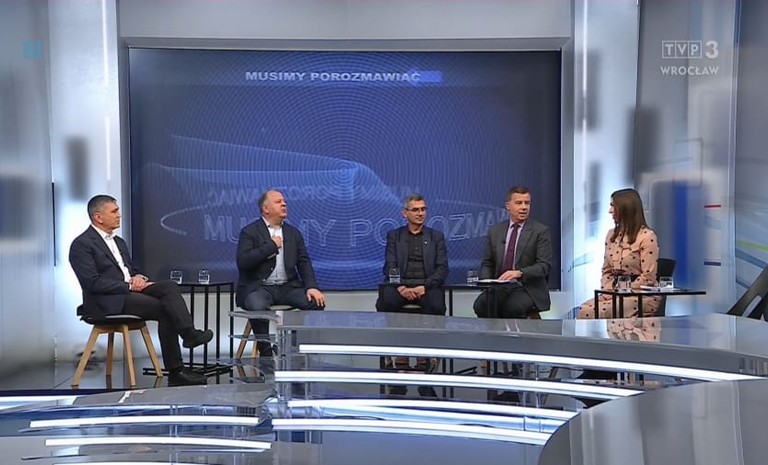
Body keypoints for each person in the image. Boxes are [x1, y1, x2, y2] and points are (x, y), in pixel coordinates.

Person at [69, 195, 213, 387]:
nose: (119, 215)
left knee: (169, 287)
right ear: (98, 217)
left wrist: (138, 278)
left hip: (128, 291)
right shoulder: (82, 245)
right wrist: (128, 286)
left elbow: (130, 270)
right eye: (114, 211)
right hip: (107, 301)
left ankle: (189, 334)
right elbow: (92, 283)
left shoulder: (119, 242)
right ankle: (177, 370)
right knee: (165, 309)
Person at [235, 189, 326, 357]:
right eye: (278, 202)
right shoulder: (250, 232)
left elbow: (304, 262)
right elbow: (243, 261)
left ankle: (292, 347)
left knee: (316, 302)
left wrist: (311, 287)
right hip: (260, 287)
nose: (284, 204)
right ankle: (266, 350)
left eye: (284, 201)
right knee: (256, 305)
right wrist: (271, 246)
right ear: (266, 208)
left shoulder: (293, 233)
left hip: (287, 287)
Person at [376, 194, 448, 373]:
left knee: (436, 304)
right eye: (415, 210)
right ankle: (398, 351)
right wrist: (401, 287)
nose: (420, 213)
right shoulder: (394, 236)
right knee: (387, 301)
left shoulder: (436, 237)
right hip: (400, 284)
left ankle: (427, 352)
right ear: (405, 213)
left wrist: (425, 286)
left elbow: (442, 268)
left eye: (423, 209)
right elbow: (390, 266)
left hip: (426, 285)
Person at [578, 188, 660, 319]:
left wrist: (622, 290)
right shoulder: (611, 235)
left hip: (640, 295)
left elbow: (648, 277)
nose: (609, 210)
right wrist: (608, 291)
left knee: (600, 311)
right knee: (584, 309)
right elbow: (606, 270)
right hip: (614, 293)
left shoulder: (647, 237)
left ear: (625, 209)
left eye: (613, 206)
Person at [473, 186, 552, 318]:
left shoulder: (540, 231)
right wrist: (487, 284)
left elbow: (544, 266)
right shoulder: (495, 231)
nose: (524, 207)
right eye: (519, 203)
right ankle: (494, 332)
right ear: (508, 206)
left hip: (528, 288)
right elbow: (488, 263)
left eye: (527, 203)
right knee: (481, 305)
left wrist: (519, 273)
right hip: (501, 287)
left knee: (511, 307)